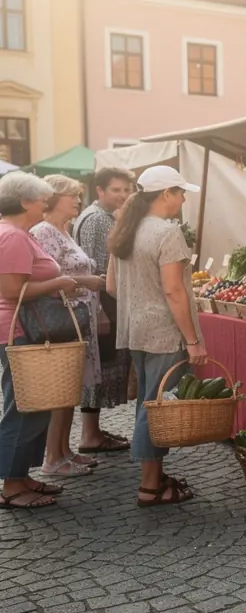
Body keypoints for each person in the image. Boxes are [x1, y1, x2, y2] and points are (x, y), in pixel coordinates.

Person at [106, 166, 206, 507]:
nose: (183, 198)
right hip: (164, 330)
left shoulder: (127, 228)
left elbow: (111, 286)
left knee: (148, 402)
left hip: (135, 328)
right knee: (157, 405)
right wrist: (193, 340)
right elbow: (174, 291)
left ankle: (154, 476)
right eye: (180, 192)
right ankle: (149, 486)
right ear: (165, 194)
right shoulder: (166, 232)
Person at [0, 172, 77, 508]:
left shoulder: (19, 234)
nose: (46, 203)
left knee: (33, 405)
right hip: (18, 331)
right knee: (23, 407)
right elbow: (13, 291)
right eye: (40, 199)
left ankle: (21, 476)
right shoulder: (13, 236)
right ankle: (12, 486)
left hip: (24, 329)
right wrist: (60, 282)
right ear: (23, 202)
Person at [29, 175, 106, 477]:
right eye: (72, 195)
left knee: (70, 389)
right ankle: (53, 458)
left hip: (77, 317)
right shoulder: (44, 231)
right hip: (61, 318)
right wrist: (86, 281)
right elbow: (45, 278)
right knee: (60, 391)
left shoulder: (66, 229)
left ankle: (64, 450)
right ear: (52, 198)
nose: (77, 200)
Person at [73, 166, 135, 453]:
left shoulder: (102, 216)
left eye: (126, 190)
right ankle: (89, 435)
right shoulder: (98, 219)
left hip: (104, 299)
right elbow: (98, 268)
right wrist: (101, 311)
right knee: (97, 367)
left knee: (100, 367)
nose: (123, 195)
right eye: (116, 190)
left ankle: (93, 431)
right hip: (101, 301)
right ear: (100, 190)